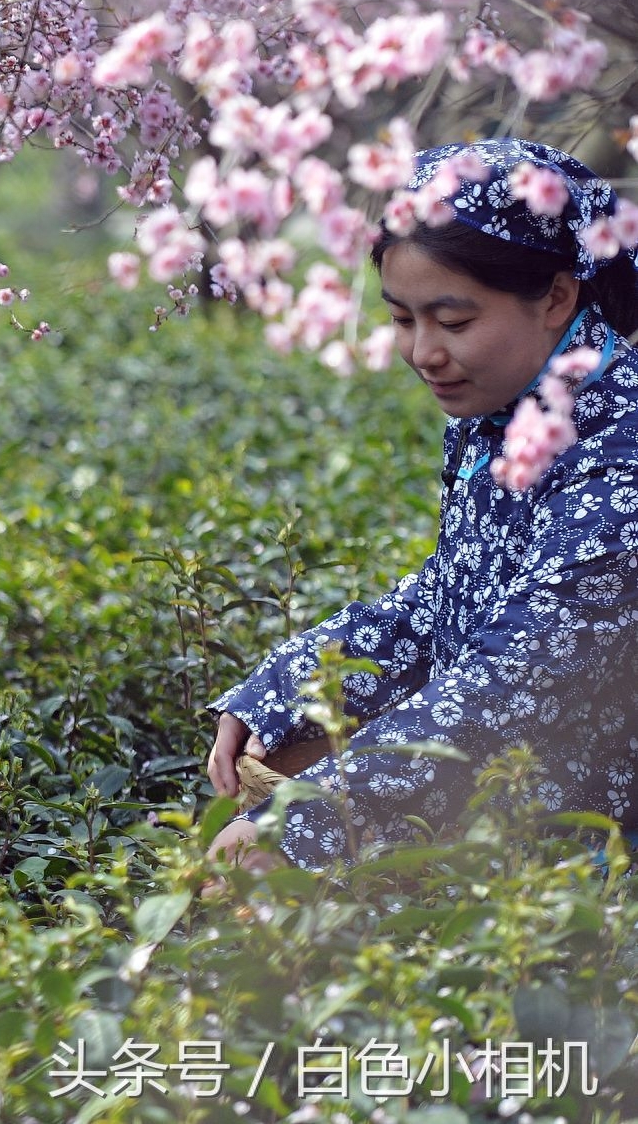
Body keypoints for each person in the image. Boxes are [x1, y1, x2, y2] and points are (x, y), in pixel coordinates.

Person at [205, 138, 638, 870]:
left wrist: (302, 822)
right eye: (402, 319)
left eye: (453, 320)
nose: (422, 352)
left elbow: (517, 684)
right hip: (500, 789)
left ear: (557, 297)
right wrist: (280, 687)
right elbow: (447, 592)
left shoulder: (619, 451)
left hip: (582, 849)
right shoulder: (499, 415)